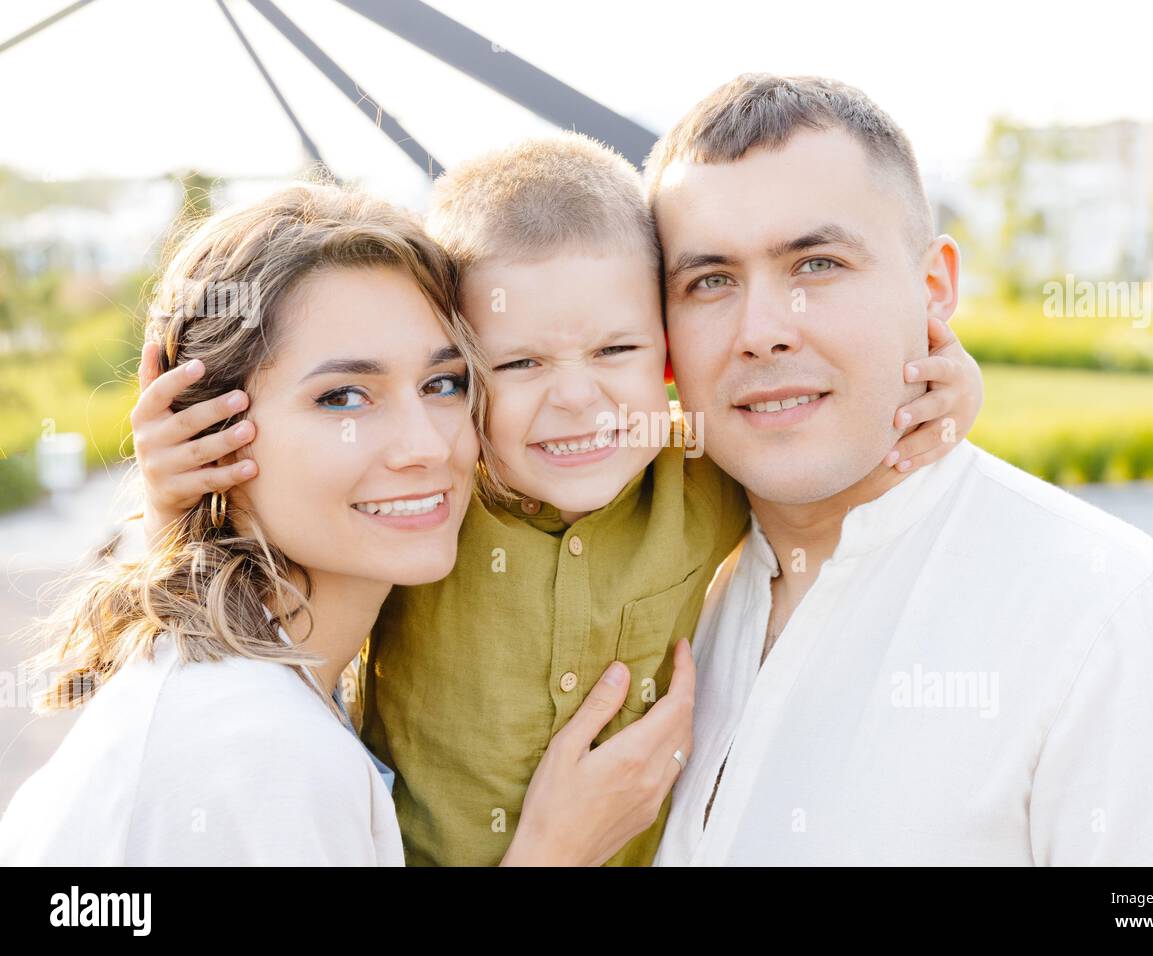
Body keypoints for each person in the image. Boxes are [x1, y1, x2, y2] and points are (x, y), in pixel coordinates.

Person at [128, 134, 987, 865]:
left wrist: (941, 389)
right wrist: (175, 491)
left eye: (616, 349)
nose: (577, 401)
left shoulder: (701, 474)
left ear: (667, 352)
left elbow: (810, 434)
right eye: (520, 364)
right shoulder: (432, 504)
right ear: (462, 375)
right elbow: (247, 568)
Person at [647, 73, 1153, 865]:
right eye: (710, 281)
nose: (763, 331)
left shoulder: (1119, 630)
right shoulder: (660, 602)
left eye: (816, 264)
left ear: (934, 288)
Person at [0, 182, 695, 866]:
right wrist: (556, 853)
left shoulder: (237, 681)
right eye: (343, 398)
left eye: (443, 383)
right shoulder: (255, 753)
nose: (426, 445)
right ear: (203, 428)